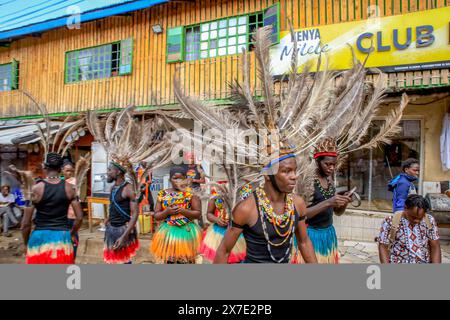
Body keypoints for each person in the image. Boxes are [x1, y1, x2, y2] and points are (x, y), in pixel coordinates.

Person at [214, 149, 318, 264]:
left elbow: (304, 242)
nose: (294, 176)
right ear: (268, 174)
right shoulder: (246, 209)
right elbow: (224, 250)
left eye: (294, 171)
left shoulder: (298, 204)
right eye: (286, 171)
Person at [21, 152, 83, 264]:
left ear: (44, 167)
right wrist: (73, 233)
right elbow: (79, 218)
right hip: (62, 238)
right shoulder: (70, 189)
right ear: (60, 168)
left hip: (39, 238)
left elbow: (25, 224)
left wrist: (26, 243)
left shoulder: (35, 189)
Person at [302, 140, 352, 264]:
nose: (331, 168)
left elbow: (337, 212)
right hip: (310, 236)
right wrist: (329, 202)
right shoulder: (308, 180)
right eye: (327, 164)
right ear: (317, 161)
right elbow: (301, 215)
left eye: (334, 164)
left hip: (328, 234)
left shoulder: (330, 178)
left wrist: (344, 202)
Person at [150, 166, 202, 264]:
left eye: (181, 178)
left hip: (186, 231)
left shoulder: (191, 194)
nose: (178, 181)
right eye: (175, 178)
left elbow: (198, 214)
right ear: (170, 179)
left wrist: (183, 211)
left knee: (186, 260)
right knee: (169, 260)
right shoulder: (163, 194)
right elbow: (156, 215)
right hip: (168, 232)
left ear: (185, 179)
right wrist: (167, 212)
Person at [378, 194, 441, 264]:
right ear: (405, 208)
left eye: (420, 218)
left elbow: (435, 246)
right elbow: (383, 246)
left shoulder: (429, 220)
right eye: (413, 217)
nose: (416, 221)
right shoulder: (390, 221)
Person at [199, 183, 251, 263]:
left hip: (238, 234)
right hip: (217, 234)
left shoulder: (245, 191)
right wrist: (217, 220)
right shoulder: (217, 191)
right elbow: (209, 214)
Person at [103, 161, 140, 264]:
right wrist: (109, 219)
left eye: (109, 170)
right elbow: (113, 205)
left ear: (118, 171)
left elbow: (135, 214)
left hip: (123, 230)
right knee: (112, 261)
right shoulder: (113, 188)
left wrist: (124, 236)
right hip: (111, 229)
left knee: (125, 261)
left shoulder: (129, 188)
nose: (107, 172)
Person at [62, 160, 79, 260]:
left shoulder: (74, 182)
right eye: (67, 170)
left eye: (71, 171)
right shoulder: (60, 181)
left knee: (73, 239)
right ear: (62, 170)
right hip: (63, 216)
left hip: (72, 216)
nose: (69, 173)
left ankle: (72, 259)